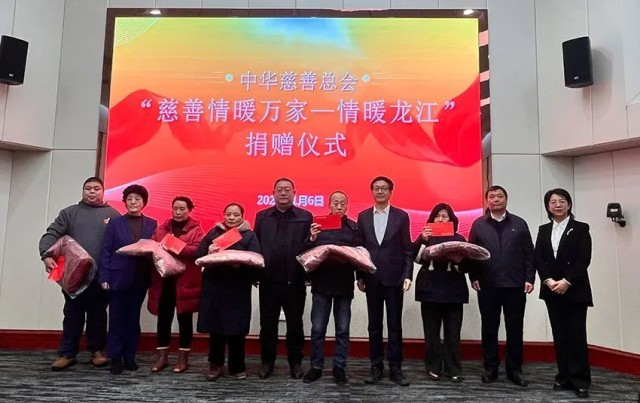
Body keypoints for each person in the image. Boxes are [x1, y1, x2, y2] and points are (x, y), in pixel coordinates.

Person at [38, 177, 121, 371]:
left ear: (103, 192)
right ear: (83, 191)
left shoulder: (113, 214)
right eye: (88, 188)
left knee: (98, 315)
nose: (92, 192)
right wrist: (46, 255)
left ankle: (97, 351)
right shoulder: (69, 213)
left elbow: (120, 243)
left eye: (96, 188)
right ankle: (67, 354)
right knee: (72, 314)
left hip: (101, 276)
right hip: (74, 277)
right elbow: (52, 234)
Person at [467, 185, 534, 387]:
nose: (495, 199)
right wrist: (473, 276)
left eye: (499, 196)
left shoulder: (519, 223)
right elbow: (472, 253)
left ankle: (515, 369)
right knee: (489, 327)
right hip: (487, 284)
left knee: (515, 328)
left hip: (515, 285)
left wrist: (530, 278)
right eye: (492, 196)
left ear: (506, 199)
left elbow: (529, 253)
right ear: (487, 201)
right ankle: (490, 367)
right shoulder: (479, 224)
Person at [534, 188, 593, 399]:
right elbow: (538, 258)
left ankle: (580, 380)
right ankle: (563, 376)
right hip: (552, 289)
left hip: (574, 289)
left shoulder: (580, 228)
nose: (557, 205)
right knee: (559, 335)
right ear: (547, 206)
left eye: (562, 201)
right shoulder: (543, 230)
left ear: (569, 204)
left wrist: (566, 281)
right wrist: (548, 280)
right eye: (553, 202)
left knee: (576, 335)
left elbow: (583, 259)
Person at [357, 176, 413, 386]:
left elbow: (407, 249)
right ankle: (376, 366)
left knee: (394, 325)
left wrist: (408, 275)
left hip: (394, 278)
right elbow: (359, 249)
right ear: (372, 191)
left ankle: (395, 368)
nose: (380, 191)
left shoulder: (401, 216)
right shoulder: (363, 216)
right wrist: (359, 275)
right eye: (376, 188)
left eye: (384, 188)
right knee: (374, 325)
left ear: (391, 192)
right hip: (371, 277)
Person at [302, 191, 362, 385]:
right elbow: (305, 252)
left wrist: (360, 277)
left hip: (344, 284)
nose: (339, 206)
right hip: (321, 283)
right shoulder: (318, 225)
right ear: (329, 205)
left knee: (342, 329)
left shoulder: (353, 227)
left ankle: (339, 367)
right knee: (318, 329)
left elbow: (360, 255)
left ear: (347, 206)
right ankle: (316, 367)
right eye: (335, 202)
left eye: (342, 203)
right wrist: (312, 238)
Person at [255, 178, 313, 380]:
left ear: (294, 193)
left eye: (287, 189)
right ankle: (267, 362)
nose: (283, 193)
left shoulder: (305, 217)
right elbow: (256, 246)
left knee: (295, 324)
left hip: (294, 280)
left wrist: (308, 274)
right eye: (279, 190)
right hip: (268, 280)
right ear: (273, 193)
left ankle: (295, 362)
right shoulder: (262, 217)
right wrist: (255, 273)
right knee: (267, 325)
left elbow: (310, 247)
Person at [196, 203, 260, 380]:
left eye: (236, 215)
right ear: (224, 215)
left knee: (236, 329)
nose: (231, 218)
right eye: (228, 214)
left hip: (237, 289)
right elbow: (198, 254)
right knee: (215, 328)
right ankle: (215, 365)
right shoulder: (214, 232)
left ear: (242, 216)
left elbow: (256, 259)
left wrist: (237, 262)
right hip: (214, 287)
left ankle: (236, 366)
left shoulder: (249, 235)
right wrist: (208, 251)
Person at [98, 184, 157, 375]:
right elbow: (106, 251)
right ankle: (115, 357)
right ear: (124, 202)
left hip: (141, 278)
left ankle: (129, 356)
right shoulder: (114, 223)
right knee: (117, 319)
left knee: (133, 318)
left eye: (137, 199)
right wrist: (104, 276)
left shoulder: (152, 224)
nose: (133, 202)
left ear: (144, 202)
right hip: (118, 277)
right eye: (129, 199)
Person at [147, 196, 204, 373]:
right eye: (175, 209)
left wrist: (174, 245)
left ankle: (182, 358)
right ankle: (162, 356)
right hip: (164, 281)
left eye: (182, 209)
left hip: (185, 282)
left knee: (185, 321)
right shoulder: (162, 228)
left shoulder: (197, 230)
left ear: (190, 210)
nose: (178, 212)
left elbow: (199, 251)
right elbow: (153, 247)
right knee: (163, 319)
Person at [413, 203, 469, 382]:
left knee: (453, 333)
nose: (440, 219)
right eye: (437, 216)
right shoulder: (425, 236)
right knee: (431, 333)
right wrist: (422, 239)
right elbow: (415, 258)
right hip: (429, 290)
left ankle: (453, 369)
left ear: (452, 220)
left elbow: (467, 265)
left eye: (445, 216)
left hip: (454, 291)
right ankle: (433, 367)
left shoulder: (459, 238)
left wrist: (458, 261)